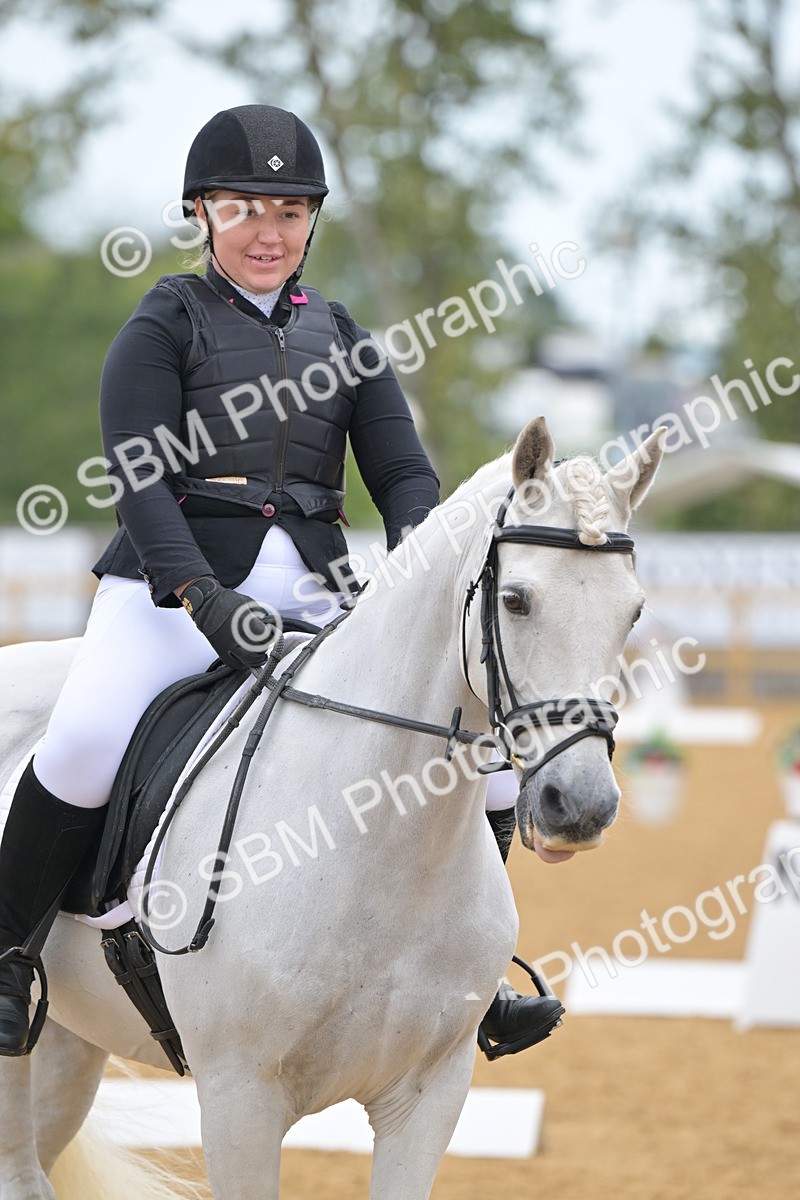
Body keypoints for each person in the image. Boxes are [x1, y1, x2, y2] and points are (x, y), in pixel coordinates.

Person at [0, 105, 562, 1057]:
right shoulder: (162, 323)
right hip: (167, 593)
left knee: (486, 754)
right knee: (87, 738)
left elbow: (403, 477)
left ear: (312, 221)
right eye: (246, 208)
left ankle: (466, 978)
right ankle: (11, 957)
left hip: (313, 588)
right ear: (202, 215)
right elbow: (139, 476)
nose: (270, 231)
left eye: (291, 210)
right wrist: (200, 596)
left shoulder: (343, 334)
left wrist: (423, 571)